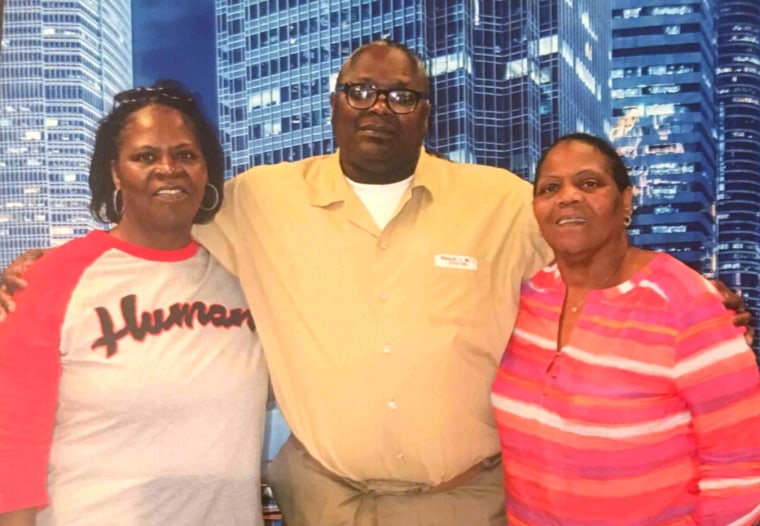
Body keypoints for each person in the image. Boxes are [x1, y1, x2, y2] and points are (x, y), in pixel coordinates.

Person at [0, 42, 753, 525]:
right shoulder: (259, 200)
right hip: (323, 498)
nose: (378, 108)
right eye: (360, 91)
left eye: (400, 96)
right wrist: (43, 266)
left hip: (466, 499)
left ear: (429, 110)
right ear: (333, 102)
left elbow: (588, 251)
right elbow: (153, 223)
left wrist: (691, 289)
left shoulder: (496, 199)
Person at [0, 82, 268, 526]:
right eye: (145, 156)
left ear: (206, 170)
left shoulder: (243, 275)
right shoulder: (51, 278)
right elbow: (12, 438)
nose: (168, 169)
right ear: (116, 173)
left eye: (185, 155)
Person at [491, 133, 760, 525]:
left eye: (589, 183)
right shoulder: (526, 298)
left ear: (627, 201)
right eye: (550, 188)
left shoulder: (687, 303)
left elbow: (741, 466)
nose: (567, 196)